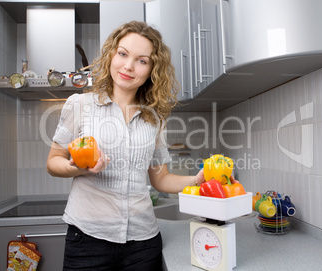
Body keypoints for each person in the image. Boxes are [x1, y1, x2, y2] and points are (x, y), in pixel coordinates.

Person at [46, 21, 206, 271]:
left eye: (142, 60)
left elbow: (160, 179)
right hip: (87, 241)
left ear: (152, 69)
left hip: (143, 244)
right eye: (123, 54)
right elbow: (53, 162)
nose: (129, 66)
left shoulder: (154, 118)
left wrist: (198, 179)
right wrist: (77, 168)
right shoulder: (80, 104)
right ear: (112, 55)